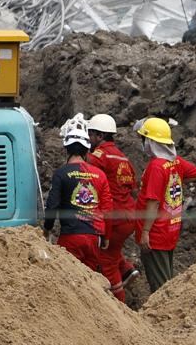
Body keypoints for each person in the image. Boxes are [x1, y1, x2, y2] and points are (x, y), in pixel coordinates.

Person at [43, 116, 114, 291]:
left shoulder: (61, 173)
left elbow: (52, 206)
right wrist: (106, 236)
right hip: (93, 237)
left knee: (68, 286)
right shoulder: (100, 175)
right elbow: (108, 210)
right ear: (87, 149)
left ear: (66, 148)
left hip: (70, 237)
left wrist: (46, 230)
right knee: (90, 287)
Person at [135, 116, 196, 292]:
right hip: (171, 229)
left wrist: (145, 232)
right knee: (166, 276)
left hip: (156, 233)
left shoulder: (156, 166)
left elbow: (153, 202)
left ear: (151, 142)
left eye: (144, 139)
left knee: (161, 287)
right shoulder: (175, 161)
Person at [85, 112, 141, 302]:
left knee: (105, 259)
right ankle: (127, 269)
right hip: (129, 216)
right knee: (113, 250)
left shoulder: (100, 155)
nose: (89, 139)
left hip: (115, 218)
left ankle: (119, 303)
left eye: (91, 134)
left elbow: (85, 171)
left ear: (100, 136)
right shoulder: (123, 159)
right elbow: (133, 189)